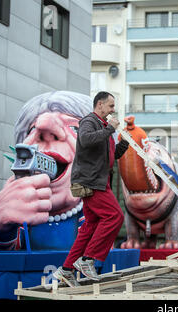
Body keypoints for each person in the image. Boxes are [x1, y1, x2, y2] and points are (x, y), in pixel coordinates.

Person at [0, 91, 92, 250]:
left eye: (74, 128)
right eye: (32, 129)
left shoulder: (95, 213)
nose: (44, 126)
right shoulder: (17, 220)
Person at [53, 91, 129, 286]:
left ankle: (67, 269)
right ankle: (88, 260)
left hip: (97, 181)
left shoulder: (104, 127)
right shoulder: (90, 121)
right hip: (91, 182)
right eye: (111, 106)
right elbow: (86, 140)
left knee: (89, 227)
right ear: (100, 105)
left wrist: (125, 144)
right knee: (114, 216)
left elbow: (110, 157)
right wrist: (109, 130)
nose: (114, 110)